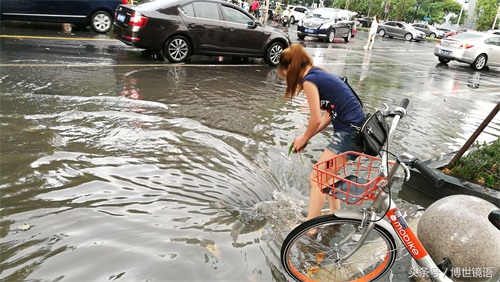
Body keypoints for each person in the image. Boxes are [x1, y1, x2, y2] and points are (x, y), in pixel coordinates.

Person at [278, 44, 365, 221]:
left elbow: (316, 118)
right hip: (355, 131)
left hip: (349, 133)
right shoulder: (318, 73)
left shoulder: (310, 81)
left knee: (316, 179)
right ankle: (335, 216)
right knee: (326, 178)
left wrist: (304, 137)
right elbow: (328, 115)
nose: (286, 78)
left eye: (285, 73)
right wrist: (306, 138)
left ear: (291, 68)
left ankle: (310, 230)